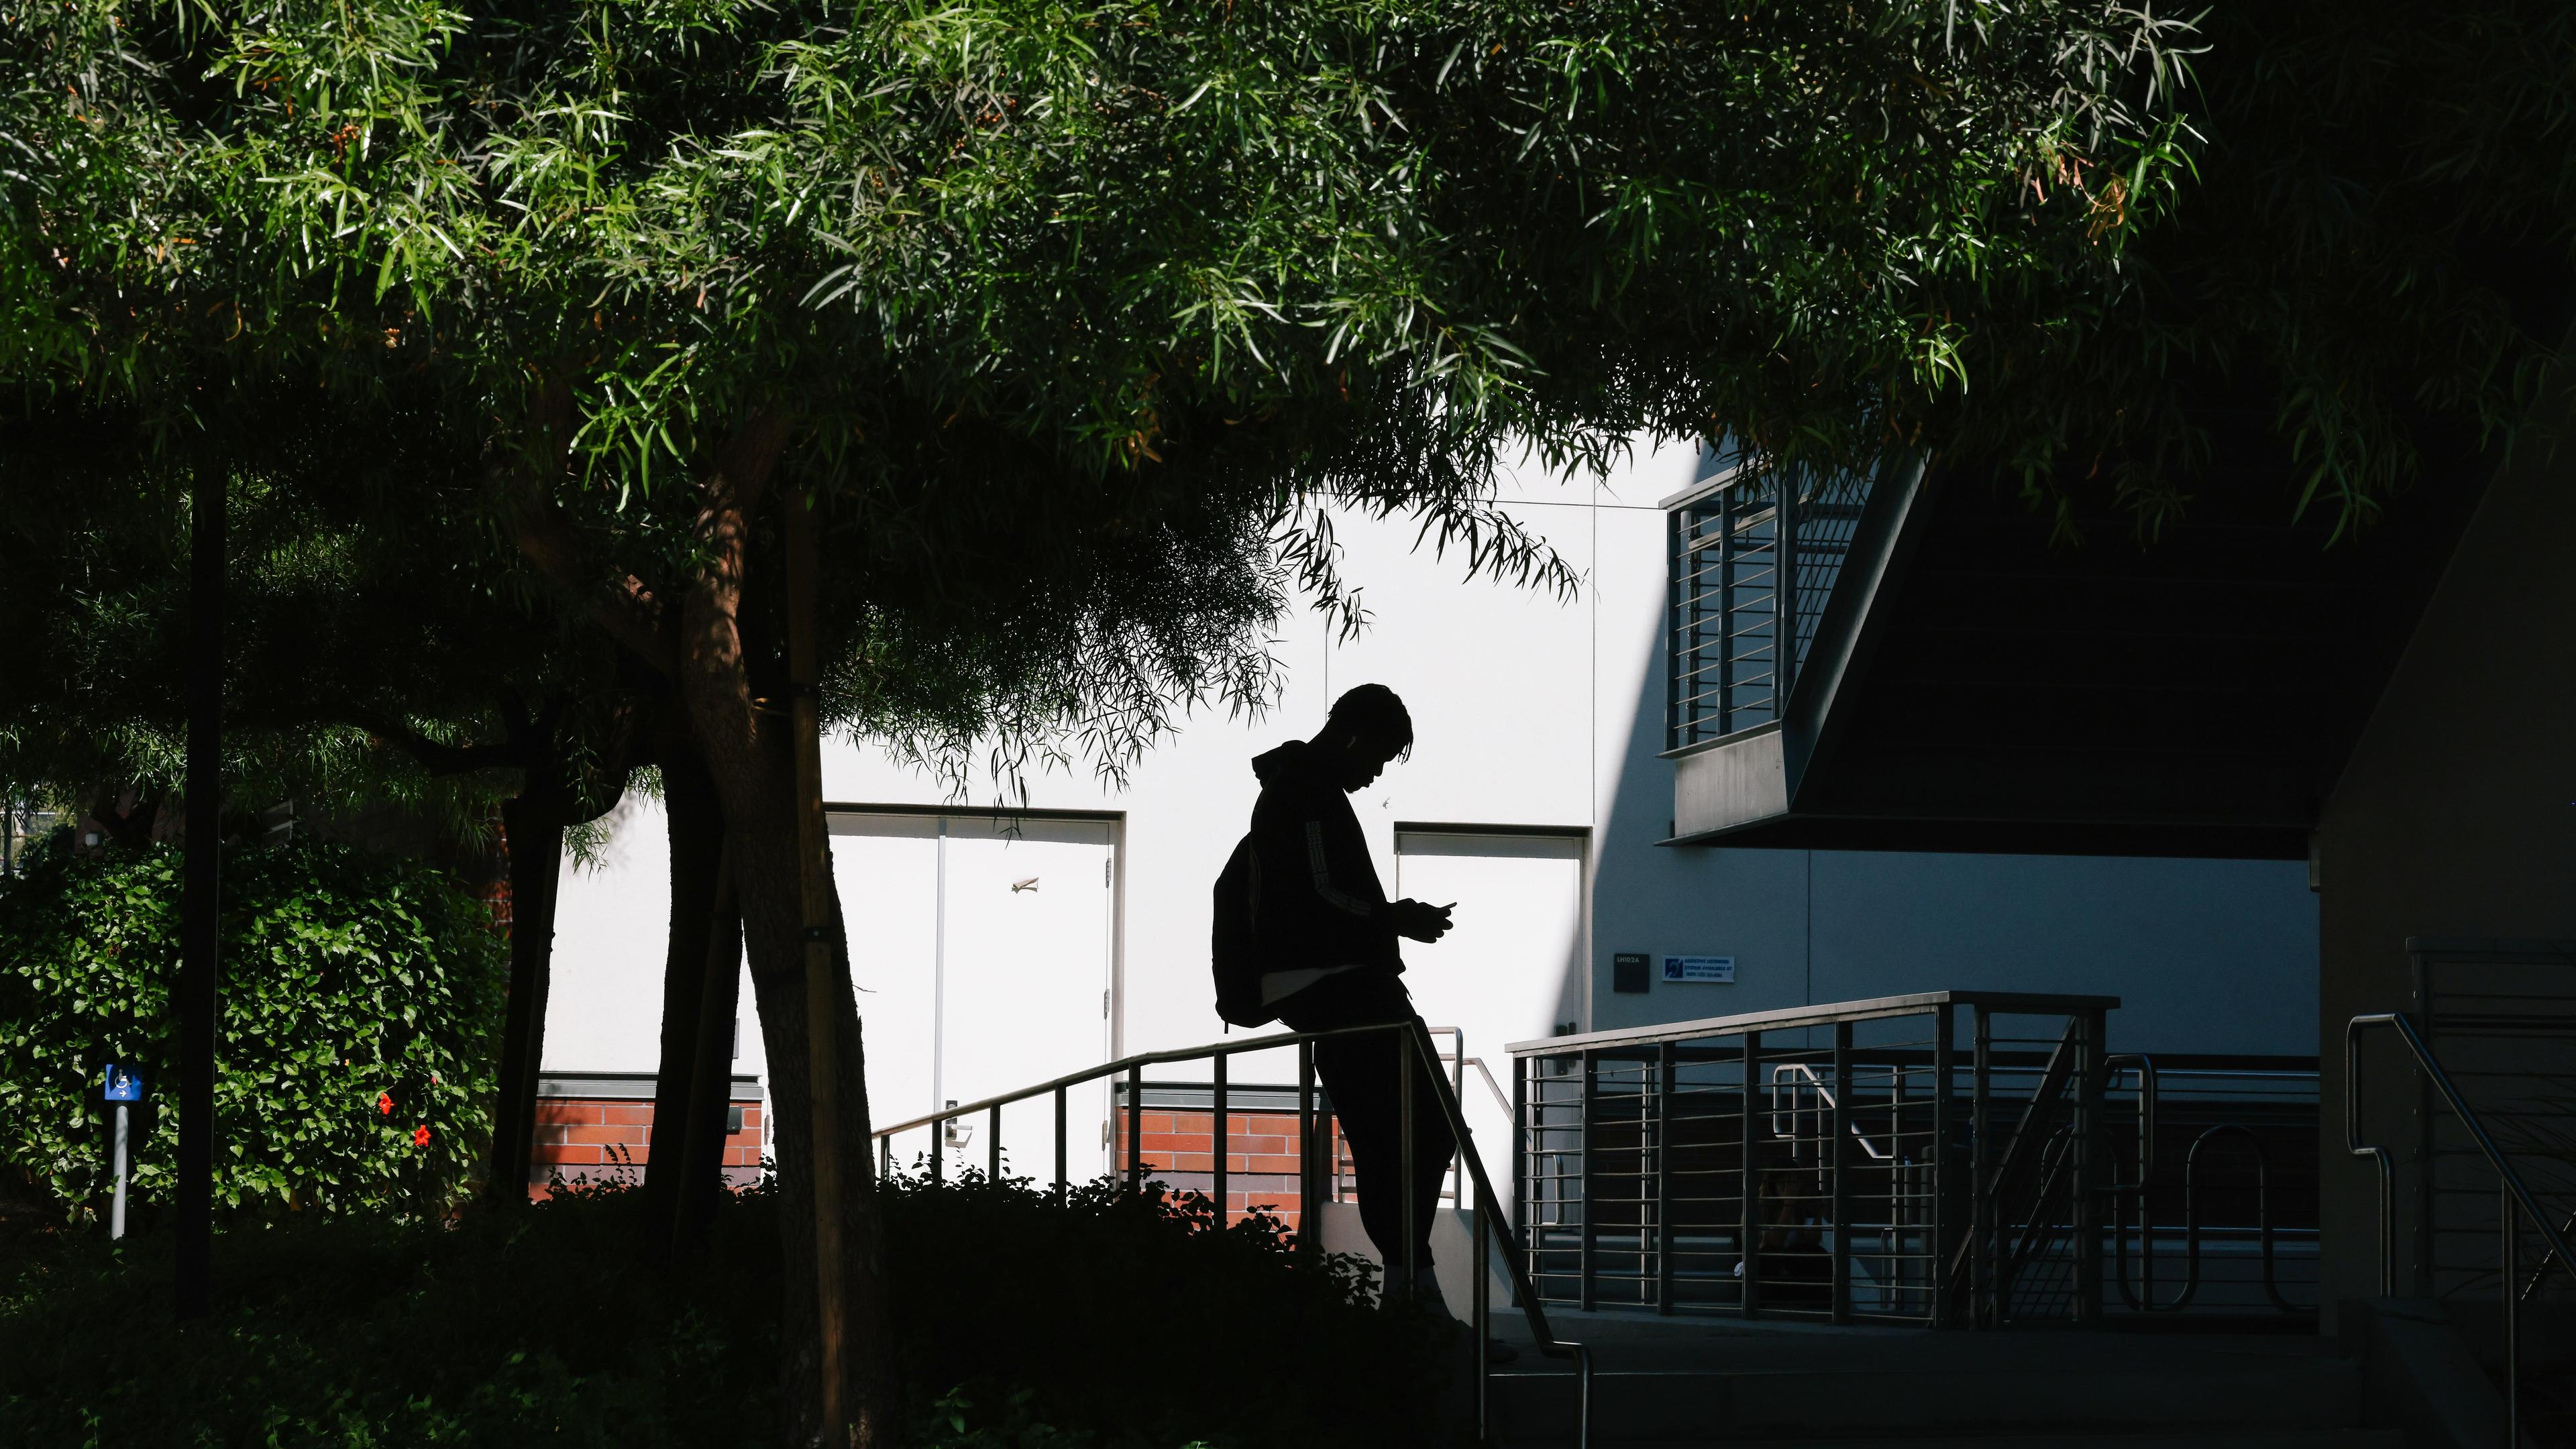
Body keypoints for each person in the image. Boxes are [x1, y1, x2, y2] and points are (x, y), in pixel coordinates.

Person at [1240, 684, 1462, 1313]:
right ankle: (1411, 1296)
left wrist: (1391, 920)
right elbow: (1320, 892)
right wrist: (1396, 917)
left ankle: (1411, 1291)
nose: (1376, 774)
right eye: (1379, 757)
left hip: (1334, 984)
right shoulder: (1305, 792)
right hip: (1335, 984)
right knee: (1409, 1131)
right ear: (1355, 738)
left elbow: (1319, 890)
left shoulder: (1301, 787)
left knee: (1405, 1133)